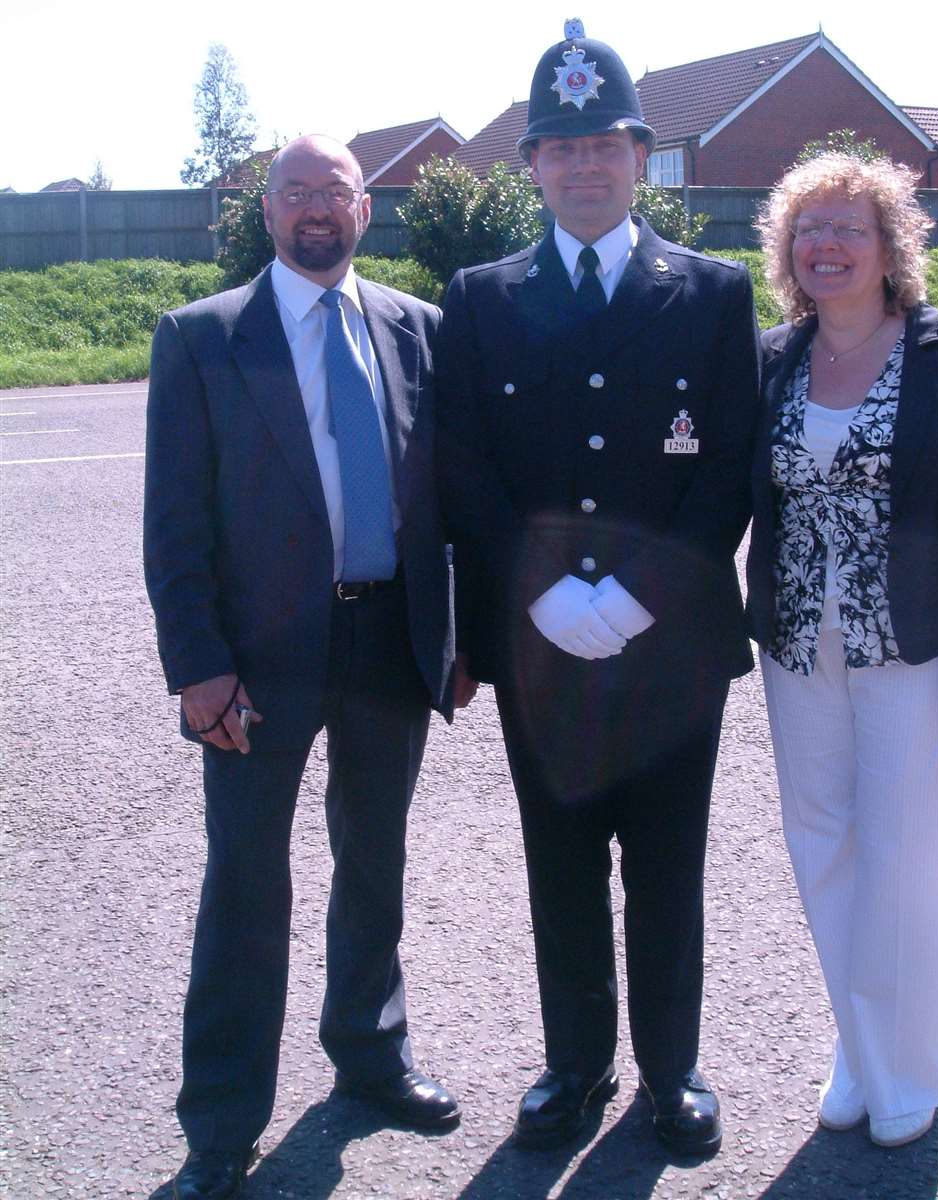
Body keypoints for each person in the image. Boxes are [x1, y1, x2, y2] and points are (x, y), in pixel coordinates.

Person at [437, 21, 759, 1156]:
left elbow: (729, 464)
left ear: (640, 156)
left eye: (604, 145)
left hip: (668, 643)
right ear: (531, 165)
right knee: (561, 860)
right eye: (560, 147)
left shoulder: (712, 295)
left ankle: (671, 1075)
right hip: (539, 645)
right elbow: (464, 466)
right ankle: (575, 1067)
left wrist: (635, 598)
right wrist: (540, 600)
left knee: (668, 864)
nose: (584, 166)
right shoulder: (480, 297)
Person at [144, 134, 467, 1200]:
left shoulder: (418, 329)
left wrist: (454, 638)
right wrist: (198, 667)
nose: (316, 209)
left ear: (366, 210)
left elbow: (446, 507)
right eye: (296, 193)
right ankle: (223, 1126)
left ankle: (370, 1059)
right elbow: (175, 524)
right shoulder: (203, 339)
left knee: (374, 864)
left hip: (387, 642)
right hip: (258, 660)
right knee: (246, 883)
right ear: (267, 211)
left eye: (335, 191)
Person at [746, 152, 938, 1148]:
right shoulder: (774, 357)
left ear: (890, 246)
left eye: (848, 229)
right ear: (788, 250)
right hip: (797, 648)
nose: (825, 246)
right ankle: (862, 1043)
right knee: (822, 847)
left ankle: (909, 1069)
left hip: (915, 652)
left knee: (906, 861)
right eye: (807, 230)